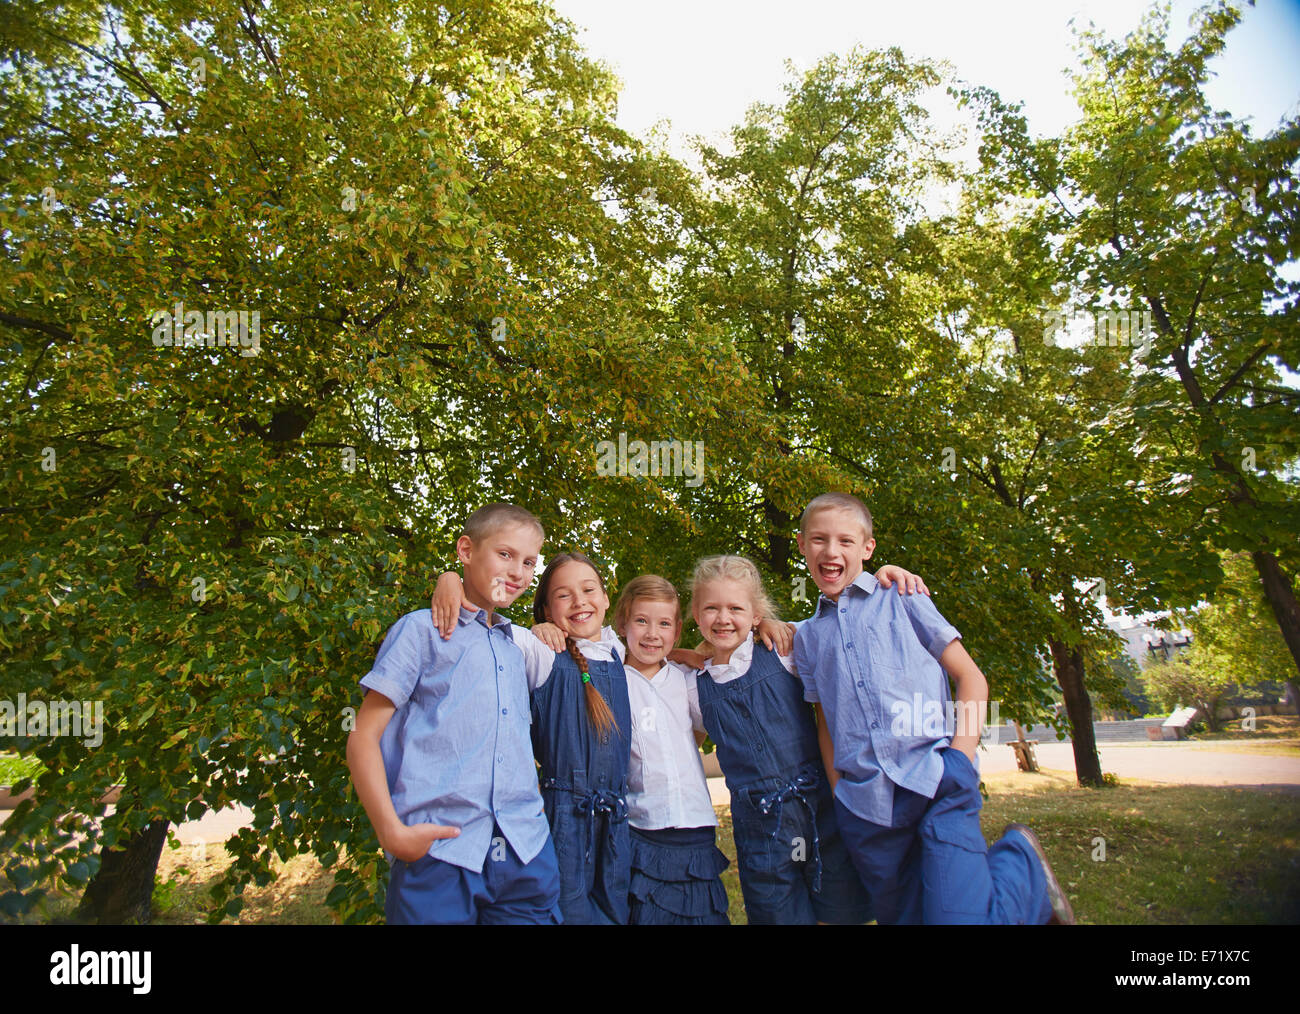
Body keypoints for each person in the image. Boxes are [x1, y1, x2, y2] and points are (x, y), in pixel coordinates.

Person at [793, 491, 1075, 924]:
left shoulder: (902, 595)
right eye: (818, 539)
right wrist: (839, 794)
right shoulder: (808, 637)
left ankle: (1020, 861)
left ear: (867, 548)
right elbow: (826, 722)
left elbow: (971, 678)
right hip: (867, 810)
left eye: (845, 541)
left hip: (935, 782)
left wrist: (959, 760)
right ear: (801, 544)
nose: (831, 551)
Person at [345, 503, 561, 924]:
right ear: (466, 550)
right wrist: (392, 833)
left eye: (529, 561)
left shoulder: (515, 647)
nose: (518, 571)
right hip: (441, 849)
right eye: (505, 554)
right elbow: (363, 736)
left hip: (524, 849)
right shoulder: (421, 630)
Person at [686, 554, 893, 924]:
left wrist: (888, 578)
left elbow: (842, 629)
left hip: (820, 808)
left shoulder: (784, 650)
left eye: (736, 607)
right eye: (711, 608)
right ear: (696, 614)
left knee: (839, 908)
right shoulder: (692, 685)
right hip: (760, 827)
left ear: (755, 614)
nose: (723, 618)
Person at [610, 575, 730, 925]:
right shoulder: (612, 679)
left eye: (663, 624)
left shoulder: (685, 680)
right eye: (641, 621)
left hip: (696, 828)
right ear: (622, 623)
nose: (652, 634)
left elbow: (730, 658)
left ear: (677, 631)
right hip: (643, 830)